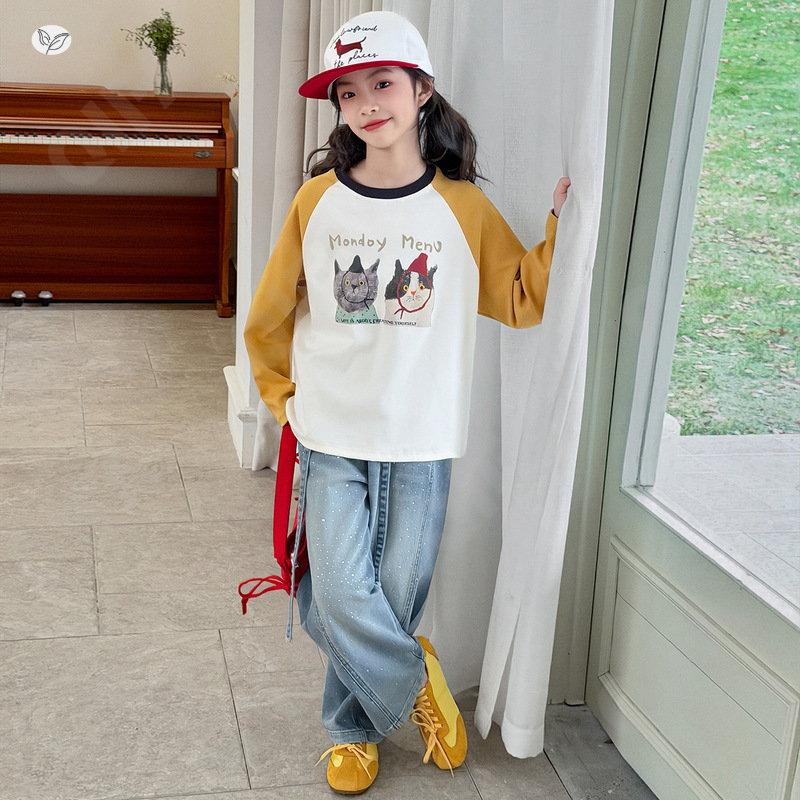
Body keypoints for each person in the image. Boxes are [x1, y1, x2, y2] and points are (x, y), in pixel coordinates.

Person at [243, 9, 570, 795]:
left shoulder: (460, 207)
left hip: (423, 435)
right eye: (349, 93)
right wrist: (282, 398)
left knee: (390, 598)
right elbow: (271, 311)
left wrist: (568, 230)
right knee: (337, 593)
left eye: (382, 83)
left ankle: (352, 731)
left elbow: (519, 296)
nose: (366, 104)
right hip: (330, 429)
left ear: (421, 90)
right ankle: (415, 678)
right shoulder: (317, 200)